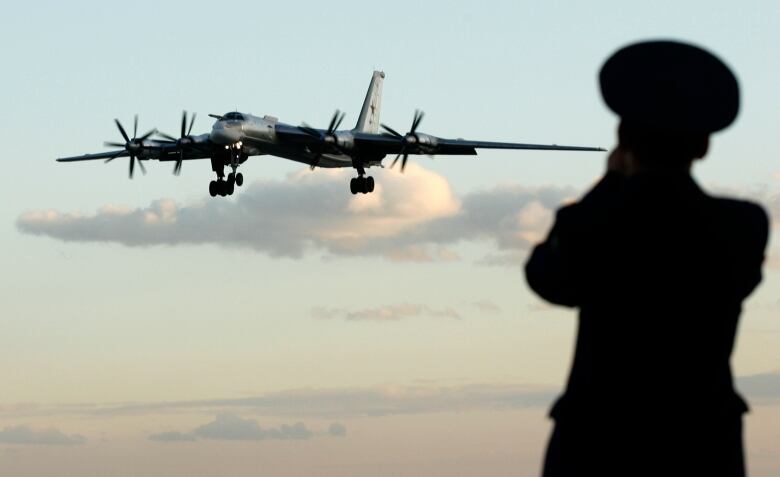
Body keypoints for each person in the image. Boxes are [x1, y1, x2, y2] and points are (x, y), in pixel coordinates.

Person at [525, 40, 770, 477]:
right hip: (703, 445)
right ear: (704, 147)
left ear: (622, 140)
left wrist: (609, 183)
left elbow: (547, 279)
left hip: (597, 444)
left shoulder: (590, 223)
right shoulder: (743, 227)